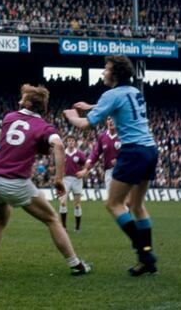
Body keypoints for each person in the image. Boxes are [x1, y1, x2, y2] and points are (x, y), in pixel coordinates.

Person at [0, 84, 91, 276]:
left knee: (0, 219)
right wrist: (58, 179)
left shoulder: (9, 118)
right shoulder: (44, 127)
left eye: (24, 96)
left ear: (29, 103)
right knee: (52, 219)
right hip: (16, 182)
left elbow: (19, 141)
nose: (20, 98)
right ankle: (75, 264)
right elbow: (58, 145)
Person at [64, 55, 159, 276]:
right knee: (137, 206)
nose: (103, 73)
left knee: (114, 204)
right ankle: (147, 260)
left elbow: (86, 124)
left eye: (106, 69)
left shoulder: (111, 94)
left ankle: (144, 252)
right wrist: (91, 106)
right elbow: (119, 105)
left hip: (133, 151)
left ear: (115, 74)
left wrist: (70, 116)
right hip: (150, 150)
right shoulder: (134, 91)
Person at [78, 116, 120, 190]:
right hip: (109, 172)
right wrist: (88, 164)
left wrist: (120, 160)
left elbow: (131, 151)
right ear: (106, 122)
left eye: (113, 119)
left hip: (124, 169)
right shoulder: (102, 137)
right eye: (109, 119)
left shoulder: (124, 134)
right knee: (111, 199)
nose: (111, 121)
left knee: (126, 199)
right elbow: (95, 153)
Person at [59, 135, 87, 232]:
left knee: (77, 205)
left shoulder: (80, 154)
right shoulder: (62, 153)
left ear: (75, 142)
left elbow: (86, 166)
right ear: (66, 142)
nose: (70, 142)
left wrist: (83, 173)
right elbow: (58, 165)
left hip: (76, 180)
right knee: (62, 202)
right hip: (65, 180)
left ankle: (77, 227)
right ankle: (64, 227)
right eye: (69, 141)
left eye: (72, 140)